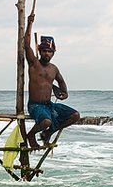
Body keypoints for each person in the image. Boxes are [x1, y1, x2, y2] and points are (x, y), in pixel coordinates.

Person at [23, 12, 79, 148]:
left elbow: (61, 83)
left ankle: (48, 133)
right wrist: (29, 24)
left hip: (49, 105)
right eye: (44, 51)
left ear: (53, 53)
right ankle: (31, 135)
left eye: (49, 51)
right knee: (46, 121)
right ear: (40, 52)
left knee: (75, 115)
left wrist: (63, 93)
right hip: (35, 105)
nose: (47, 53)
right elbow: (26, 45)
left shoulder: (54, 68)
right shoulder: (34, 64)